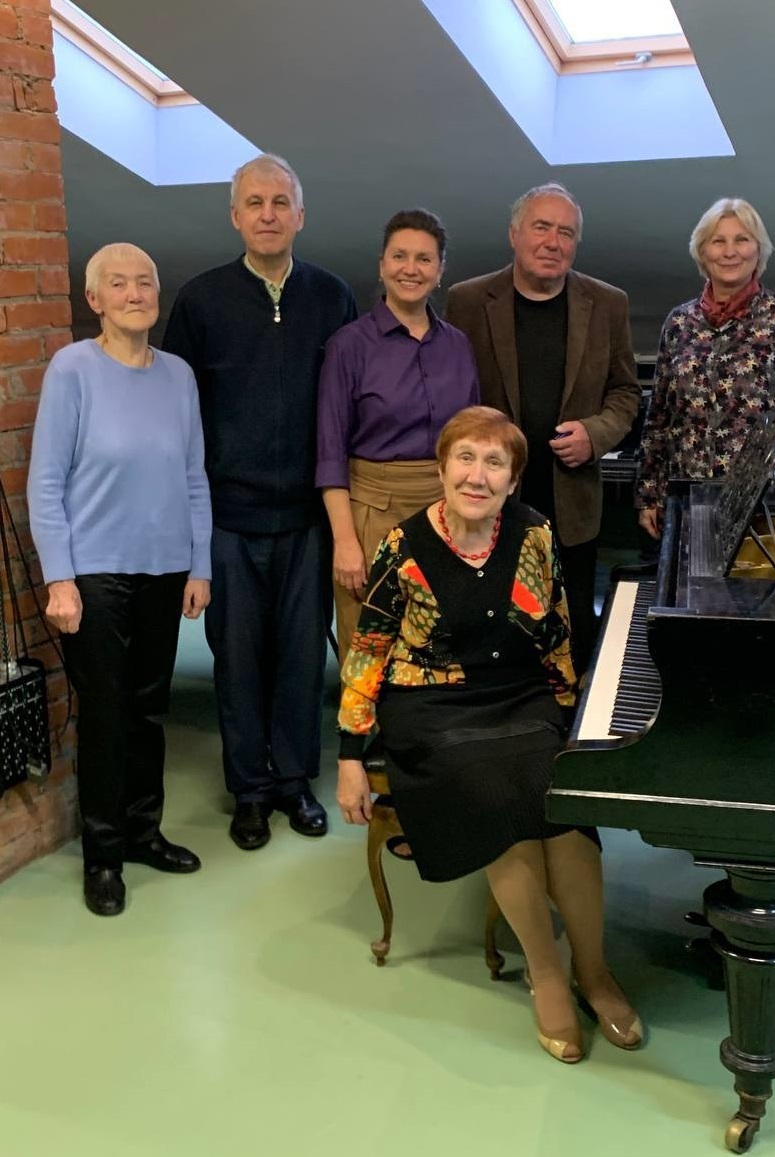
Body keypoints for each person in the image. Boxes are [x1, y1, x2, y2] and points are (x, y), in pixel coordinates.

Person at [336, 406, 642, 1064]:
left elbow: (557, 629)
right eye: (465, 459)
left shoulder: (533, 534)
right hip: (431, 704)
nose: (477, 475)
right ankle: (546, 973)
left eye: (494, 463)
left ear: (512, 480)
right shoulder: (403, 546)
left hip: (519, 695)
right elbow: (368, 650)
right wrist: (350, 756)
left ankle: (593, 970)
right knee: (498, 798)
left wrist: (571, 719)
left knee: (565, 805)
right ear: (442, 468)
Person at [162, 154, 357, 852]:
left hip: (307, 518)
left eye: (280, 202)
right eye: (255, 202)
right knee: (237, 660)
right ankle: (248, 788)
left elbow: (348, 405)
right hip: (227, 518)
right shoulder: (201, 300)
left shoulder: (332, 297)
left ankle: (294, 781)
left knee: (302, 658)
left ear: (300, 215)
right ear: (235, 216)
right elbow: (177, 414)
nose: (268, 214)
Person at [27, 243, 212, 917]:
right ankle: (102, 856)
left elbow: (193, 475)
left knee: (148, 708)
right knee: (105, 714)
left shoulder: (179, 375)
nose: (135, 293)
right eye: (118, 283)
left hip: (165, 567)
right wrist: (60, 579)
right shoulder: (73, 368)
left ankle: (142, 831)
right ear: (94, 299)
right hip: (95, 573)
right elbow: (46, 481)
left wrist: (200, 564)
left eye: (145, 283)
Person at [446, 183, 641, 674]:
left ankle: (570, 712)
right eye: (541, 227)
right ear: (514, 234)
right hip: (488, 501)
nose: (553, 242)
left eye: (566, 233)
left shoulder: (608, 303)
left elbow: (625, 393)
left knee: (572, 633)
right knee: (491, 630)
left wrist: (595, 434)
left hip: (570, 503)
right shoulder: (467, 301)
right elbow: (450, 396)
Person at [637, 197, 775, 537]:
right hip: (690, 503)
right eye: (718, 241)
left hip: (764, 506)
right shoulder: (679, 323)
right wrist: (648, 493)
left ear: (759, 250)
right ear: (702, 252)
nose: (730, 252)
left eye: (742, 239)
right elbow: (659, 417)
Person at [316, 208, 479, 663]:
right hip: (372, 514)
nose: (411, 269)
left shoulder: (458, 346)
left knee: (441, 650)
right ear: (382, 265)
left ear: (440, 271)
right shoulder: (349, 345)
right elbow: (330, 453)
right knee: (371, 653)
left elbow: (473, 441)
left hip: (447, 513)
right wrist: (344, 541)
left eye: (424, 259)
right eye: (400, 256)